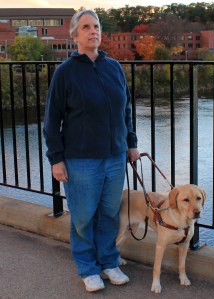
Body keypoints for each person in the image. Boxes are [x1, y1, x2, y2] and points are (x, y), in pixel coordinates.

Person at [43, 9, 140, 292]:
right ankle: (87, 268)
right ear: (75, 35)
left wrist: (131, 143)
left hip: (114, 157)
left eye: (96, 26)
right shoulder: (66, 73)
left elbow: (126, 109)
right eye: (85, 27)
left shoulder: (114, 68)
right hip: (81, 160)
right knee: (84, 216)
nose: (92, 31)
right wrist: (56, 159)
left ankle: (109, 261)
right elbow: (51, 121)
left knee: (109, 214)